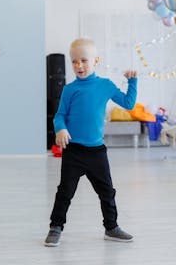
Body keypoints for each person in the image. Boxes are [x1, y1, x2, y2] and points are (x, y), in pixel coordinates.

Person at [44, 38, 138, 247]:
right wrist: (61, 129)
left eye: (84, 61)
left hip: (97, 152)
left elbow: (128, 104)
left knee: (107, 191)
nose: (79, 65)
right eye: (75, 61)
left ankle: (111, 228)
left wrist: (132, 82)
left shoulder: (105, 85)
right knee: (65, 191)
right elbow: (60, 115)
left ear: (95, 60)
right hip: (74, 151)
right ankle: (55, 227)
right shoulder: (69, 89)